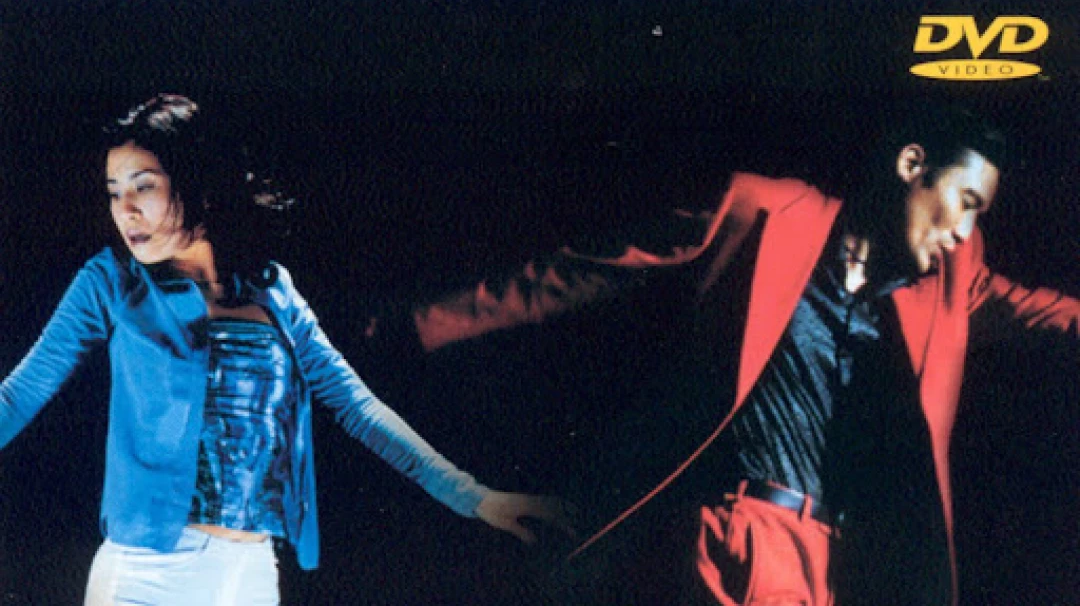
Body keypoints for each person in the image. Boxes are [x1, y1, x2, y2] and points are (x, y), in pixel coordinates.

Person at [365, 105, 1079, 604]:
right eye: (966, 200)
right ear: (911, 165)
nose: (965, 231)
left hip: (832, 565)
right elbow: (593, 267)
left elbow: (1053, 316)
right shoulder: (766, 211)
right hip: (733, 535)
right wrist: (418, 325)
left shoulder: (950, 285)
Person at [0, 94, 570, 605]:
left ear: (195, 181)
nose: (125, 210)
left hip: (250, 574)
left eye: (143, 186)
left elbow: (357, 407)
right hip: (145, 575)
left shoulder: (273, 290)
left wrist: (476, 499)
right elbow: (19, 395)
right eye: (114, 193)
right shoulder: (110, 282)